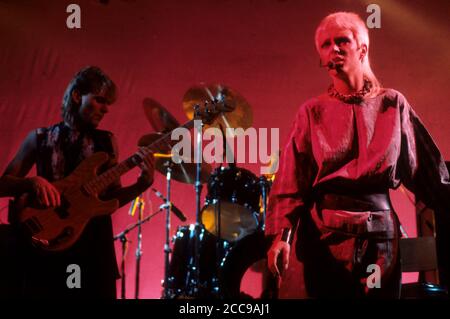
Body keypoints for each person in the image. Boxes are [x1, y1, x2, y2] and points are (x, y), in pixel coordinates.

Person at [265, 12, 450, 298]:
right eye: (325, 45)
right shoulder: (311, 112)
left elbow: (429, 172)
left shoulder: (392, 104)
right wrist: (281, 236)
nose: (333, 50)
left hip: (379, 240)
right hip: (324, 235)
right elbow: (290, 182)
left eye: (342, 41)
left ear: (362, 48)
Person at [0, 66, 155, 298]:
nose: (105, 109)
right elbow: (3, 185)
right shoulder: (40, 138)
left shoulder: (107, 142)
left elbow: (111, 199)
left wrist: (140, 185)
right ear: (76, 96)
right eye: (99, 100)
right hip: (45, 246)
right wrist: (31, 182)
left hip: (92, 247)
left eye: (107, 104)